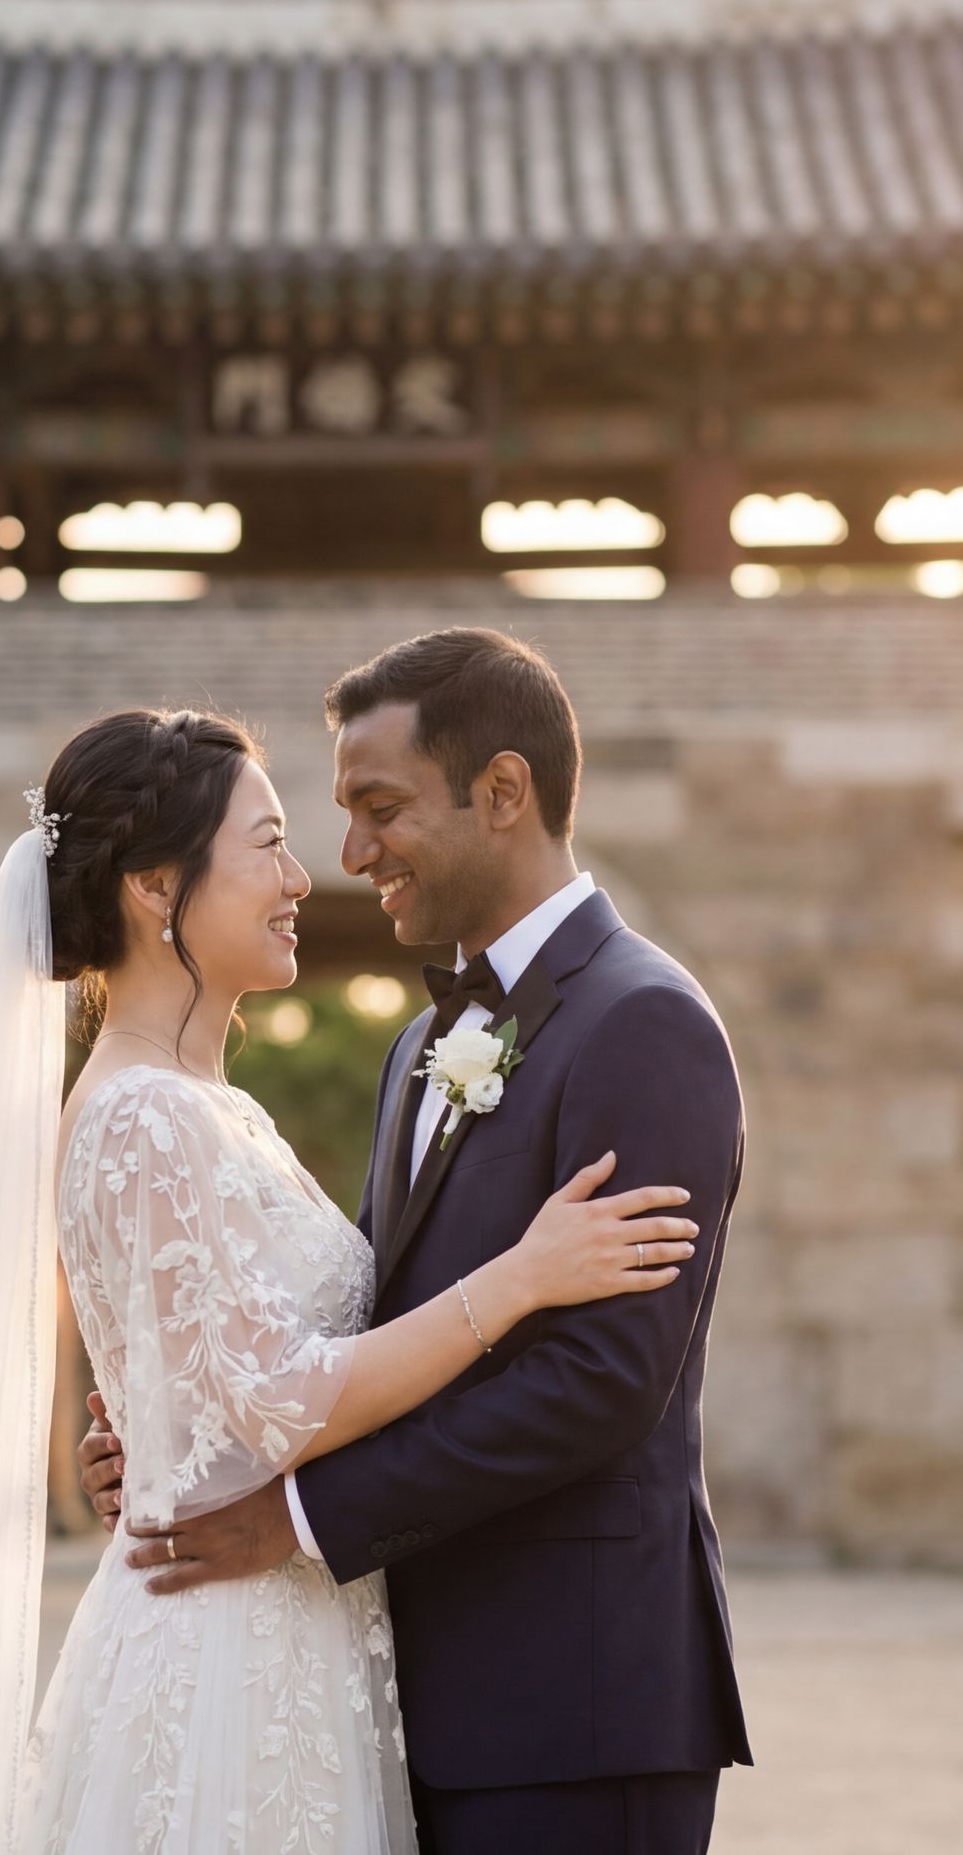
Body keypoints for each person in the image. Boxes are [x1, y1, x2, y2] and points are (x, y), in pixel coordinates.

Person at [0, 701, 701, 1855]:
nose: (305, 875)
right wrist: (523, 1278)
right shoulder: (143, 1115)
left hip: (301, 1635)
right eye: (269, 842)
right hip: (225, 1657)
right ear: (151, 884)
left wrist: (164, 1426)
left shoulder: (212, 1108)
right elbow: (281, 1397)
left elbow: (231, 1380)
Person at [80, 630, 753, 1853]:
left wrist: (293, 1517)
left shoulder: (645, 1023)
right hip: (395, 1694)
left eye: (379, 808)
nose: (349, 856)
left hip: (575, 1703)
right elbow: (365, 1326)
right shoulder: (414, 1052)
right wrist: (185, 1423)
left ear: (502, 794)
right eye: (328, 818)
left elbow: (600, 1384)